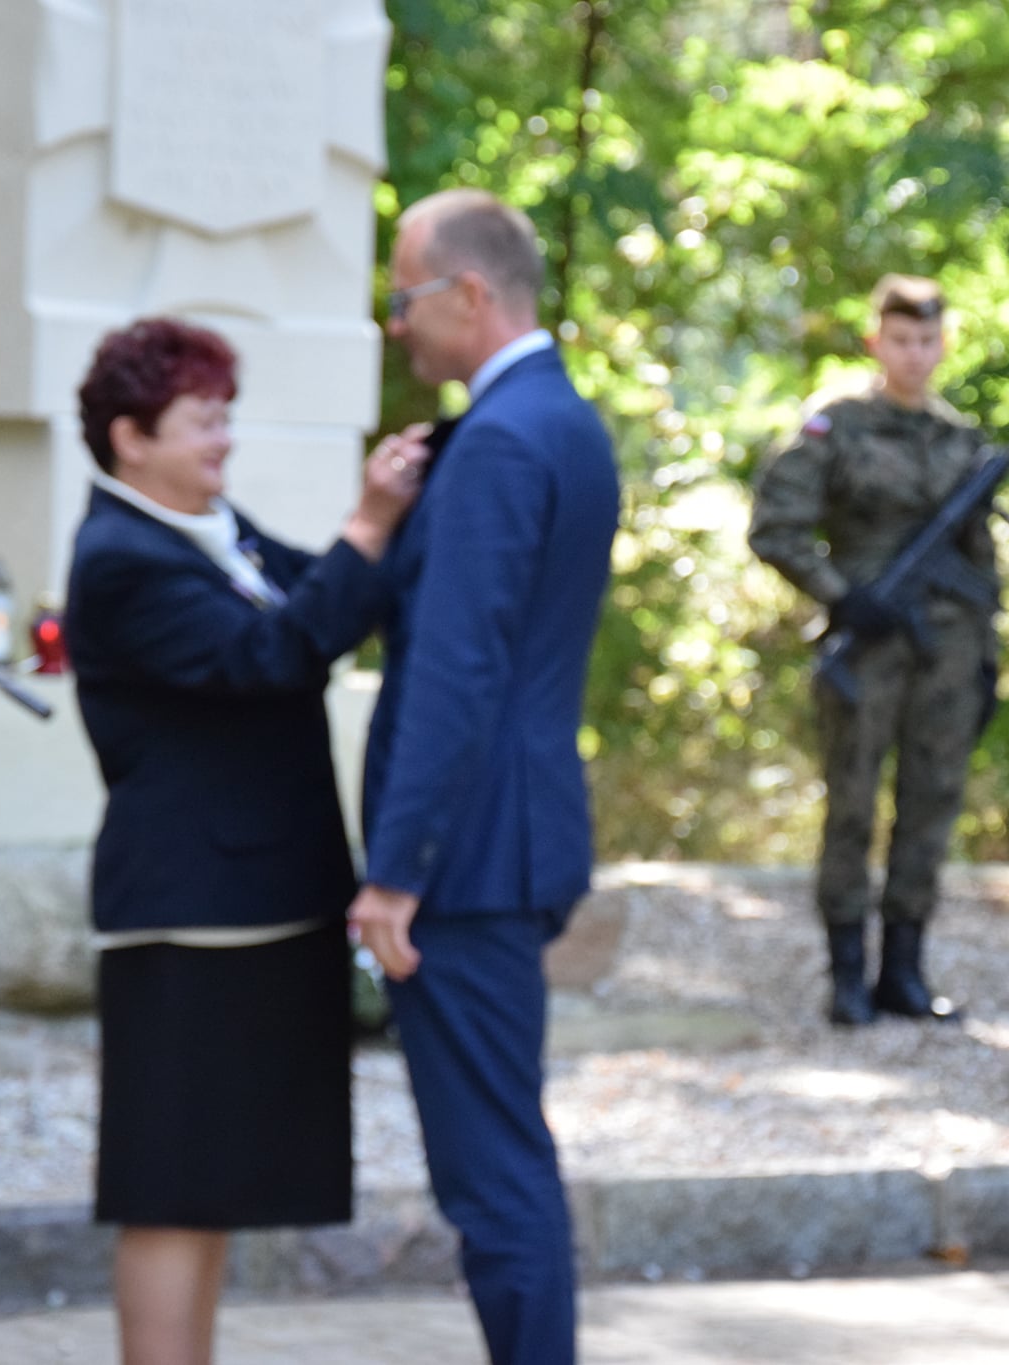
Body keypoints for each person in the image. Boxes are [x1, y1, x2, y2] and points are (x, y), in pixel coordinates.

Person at [64, 317, 420, 1365]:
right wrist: (367, 521)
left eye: (226, 417)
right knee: (170, 1189)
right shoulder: (123, 558)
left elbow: (326, 597)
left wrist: (391, 533)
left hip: (260, 904)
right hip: (191, 916)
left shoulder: (211, 530)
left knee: (213, 1188)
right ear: (131, 437)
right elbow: (271, 652)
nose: (225, 440)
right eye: (202, 421)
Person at [349, 188, 620, 1365]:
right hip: (509, 838)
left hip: (466, 860)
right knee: (501, 1156)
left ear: (468, 292)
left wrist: (395, 870)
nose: (393, 323)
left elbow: (457, 671)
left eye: (403, 297)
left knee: (490, 1172)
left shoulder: (502, 440)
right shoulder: (561, 421)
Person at [747, 274, 991, 1026]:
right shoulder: (836, 426)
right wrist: (840, 594)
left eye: (927, 340)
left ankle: (905, 970)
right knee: (851, 805)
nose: (914, 354)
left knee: (932, 802)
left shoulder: (961, 439)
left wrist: (987, 654)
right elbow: (776, 526)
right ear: (874, 343)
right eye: (900, 340)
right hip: (868, 646)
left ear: (944, 345)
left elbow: (980, 558)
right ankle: (848, 972)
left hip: (947, 648)